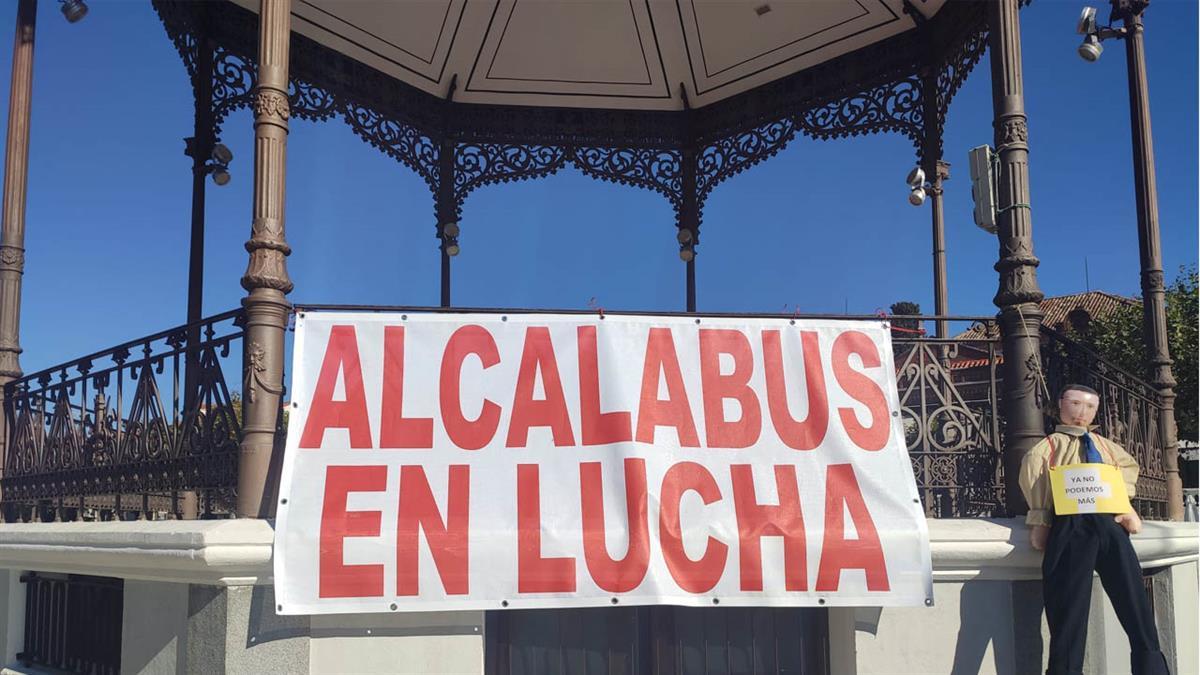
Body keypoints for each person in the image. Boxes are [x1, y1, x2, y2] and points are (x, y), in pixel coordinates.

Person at [1019, 383, 1170, 675]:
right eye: (1075, 404)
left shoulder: (1105, 446)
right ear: (1060, 405)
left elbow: (1124, 472)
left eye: (1089, 407)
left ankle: (1152, 668)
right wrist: (1040, 519)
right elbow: (1035, 479)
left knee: (1135, 602)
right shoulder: (1048, 447)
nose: (1081, 412)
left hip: (1109, 524)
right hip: (1071, 524)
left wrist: (1124, 505)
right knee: (1068, 610)